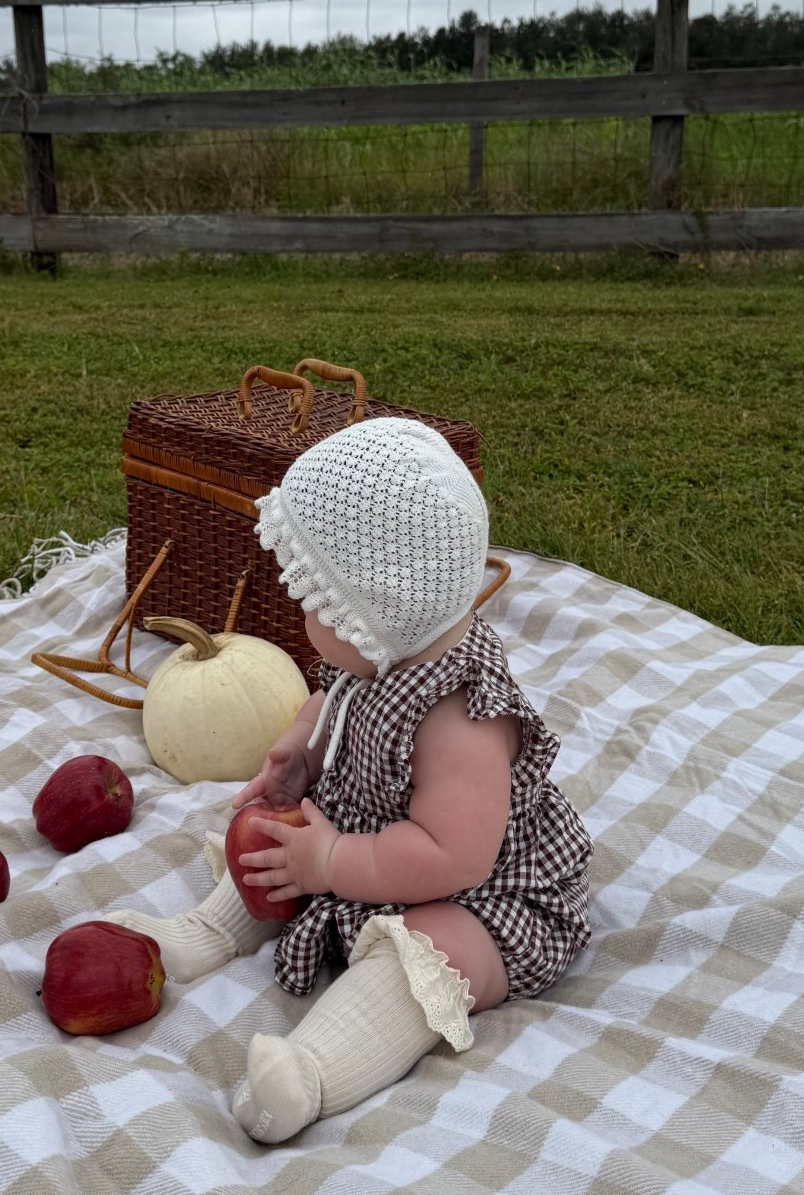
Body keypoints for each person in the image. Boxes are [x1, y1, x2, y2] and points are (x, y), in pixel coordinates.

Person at [108, 417, 591, 1144]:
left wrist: (332, 862)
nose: (301, 614)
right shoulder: (383, 652)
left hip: (478, 895)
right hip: (370, 842)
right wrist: (303, 749)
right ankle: (208, 932)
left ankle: (312, 1071)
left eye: (315, 601)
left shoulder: (463, 718)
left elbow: (454, 857)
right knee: (279, 834)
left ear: (377, 607)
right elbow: (330, 697)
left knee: (428, 953)